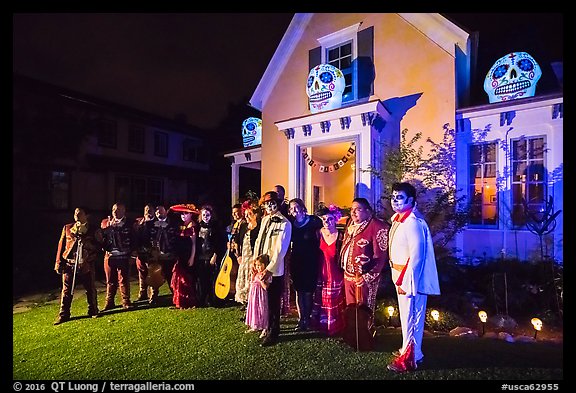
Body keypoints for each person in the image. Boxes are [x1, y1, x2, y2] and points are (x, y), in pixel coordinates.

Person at [386, 182, 440, 373]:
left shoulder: (412, 223)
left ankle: (409, 359)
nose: (395, 201)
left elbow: (417, 256)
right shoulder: (400, 220)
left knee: (410, 318)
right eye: (393, 197)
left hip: (408, 279)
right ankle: (411, 351)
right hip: (400, 276)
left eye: (399, 197)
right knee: (407, 317)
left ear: (411, 200)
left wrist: (406, 282)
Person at [252, 191, 292, 346]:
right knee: (263, 300)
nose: (269, 206)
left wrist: (269, 269)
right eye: (266, 204)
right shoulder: (264, 220)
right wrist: (255, 262)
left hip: (273, 270)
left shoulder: (285, 223)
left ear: (278, 203)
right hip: (260, 267)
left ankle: (273, 332)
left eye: (272, 203)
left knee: (273, 302)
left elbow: (281, 250)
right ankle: (265, 326)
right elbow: (259, 242)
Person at [340, 198, 389, 315]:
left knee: (364, 311)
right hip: (348, 275)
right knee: (351, 309)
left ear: (367, 211)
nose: (353, 212)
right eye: (352, 209)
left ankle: (365, 332)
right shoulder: (350, 223)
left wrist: (368, 276)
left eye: (358, 209)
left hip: (364, 277)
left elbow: (381, 256)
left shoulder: (377, 226)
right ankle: (353, 332)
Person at [53, 206, 100, 325]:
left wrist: (89, 251)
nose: (77, 216)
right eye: (75, 213)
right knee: (66, 290)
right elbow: (61, 245)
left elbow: (98, 246)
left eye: (80, 213)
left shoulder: (92, 229)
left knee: (90, 288)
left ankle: (93, 310)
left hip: (86, 263)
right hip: (70, 263)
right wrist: (58, 262)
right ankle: (64, 314)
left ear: (85, 215)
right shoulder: (68, 228)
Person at [288, 198, 323, 331]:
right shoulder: (291, 224)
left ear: (303, 207)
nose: (294, 210)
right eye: (291, 208)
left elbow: (322, 237)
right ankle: (301, 318)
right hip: (297, 260)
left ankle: (307, 319)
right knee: (298, 291)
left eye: (296, 207)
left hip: (311, 261)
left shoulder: (314, 221)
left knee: (308, 292)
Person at [310, 204, 345, 336]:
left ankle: (334, 325)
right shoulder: (318, 233)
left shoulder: (341, 236)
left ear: (335, 219)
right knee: (321, 298)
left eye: (330, 219)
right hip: (321, 271)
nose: (326, 222)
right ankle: (322, 323)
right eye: (324, 219)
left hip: (335, 272)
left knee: (333, 298)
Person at [100, 202, 135, 311]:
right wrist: (107, 229)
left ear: (124, 211)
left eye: (118, 209)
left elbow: (134, 239)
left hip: (123, 256)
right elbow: (101, 239)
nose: (115, 212)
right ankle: (109, 302)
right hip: (110, 256)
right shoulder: (105, 222)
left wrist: (133, 254)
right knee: (110, 280)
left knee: (123, 280)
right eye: (114, 210)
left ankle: (125, 301)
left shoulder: (130, 223)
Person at [169, 203, 200, 309]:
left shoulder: (193, 226)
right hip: (180, 254)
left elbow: (194, 244)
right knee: (179, 278)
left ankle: (189, 301)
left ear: (191, 215)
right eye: (182, 214)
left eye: (186, 213)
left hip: (188, 254)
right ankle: (180, 301)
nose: (183, 216)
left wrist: (192, 257)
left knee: (187, 279)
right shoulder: (181, 226)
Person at [195, 204, 226, 307]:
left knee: (212, 279)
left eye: (207, 215)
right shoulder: (198, 226)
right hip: (201, 257)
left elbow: (220, 243)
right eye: (203, 215)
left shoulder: (216, 227)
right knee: (202, 279)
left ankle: (213, 300)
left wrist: (215, 255)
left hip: (212, 257)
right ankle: (202, 299)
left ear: (211, 215)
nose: (205, 217)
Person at [235, 200, 261, 310]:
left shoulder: (259, 227)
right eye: (245, 214)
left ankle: (252, 307)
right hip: (244, 259)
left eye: (249, 214)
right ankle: (245, 304)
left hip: (253, 258)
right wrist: (239, 255)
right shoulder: (244, 226)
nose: (247, 217)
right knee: (243, 280)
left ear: (255, 214)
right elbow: (238, 241)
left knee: (251, 282)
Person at [245, 254, 272, 338]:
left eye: (260, 265)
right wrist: (253, 275)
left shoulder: (266, 275)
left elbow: (266, 287)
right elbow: (252, 282)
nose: (258, 267)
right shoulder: (257, 273)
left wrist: (261, 281)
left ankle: (264, 327)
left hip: (261, 296)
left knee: (262, 309)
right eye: (257, 265)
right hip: (254, 296)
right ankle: (255, 324)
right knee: (254, 309)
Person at [133, 203, 157, 302]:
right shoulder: (138, 223)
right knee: (142, 273)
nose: (148, 212)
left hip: (152, 253)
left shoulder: (157, 223)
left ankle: (154, 295)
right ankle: (142, 293)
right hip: (140, 252)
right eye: (146, 209)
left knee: (153, 274)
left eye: (150, 210)